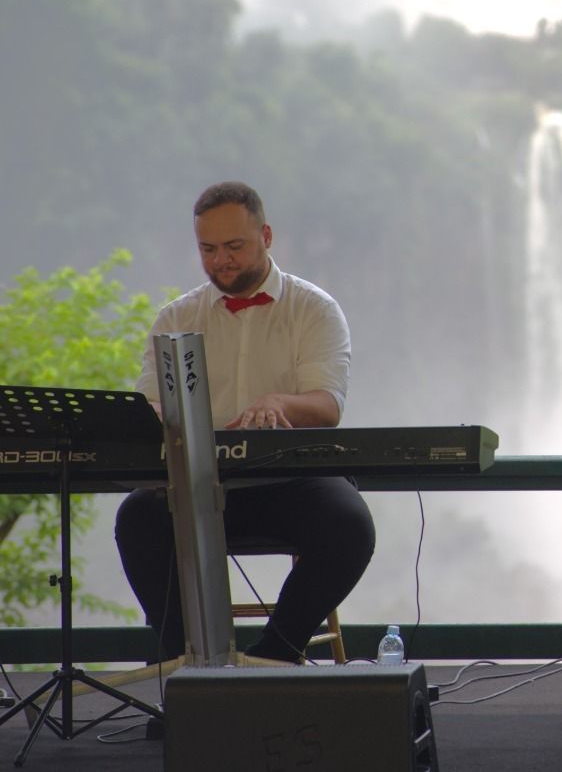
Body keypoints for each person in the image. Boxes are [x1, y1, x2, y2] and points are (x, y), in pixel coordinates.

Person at [116, 181, 375, 664]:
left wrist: (281, 403)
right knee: (137, 517)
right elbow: (149, 405)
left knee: (349, 525)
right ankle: (181, 666)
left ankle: (276, 654)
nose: (221, 261)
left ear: (267, 236)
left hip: (292, 480)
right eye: (208, 249)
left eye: (234, 246)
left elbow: (327, 406)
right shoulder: (176, 317)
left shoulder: (314, 309)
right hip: (198, 484)